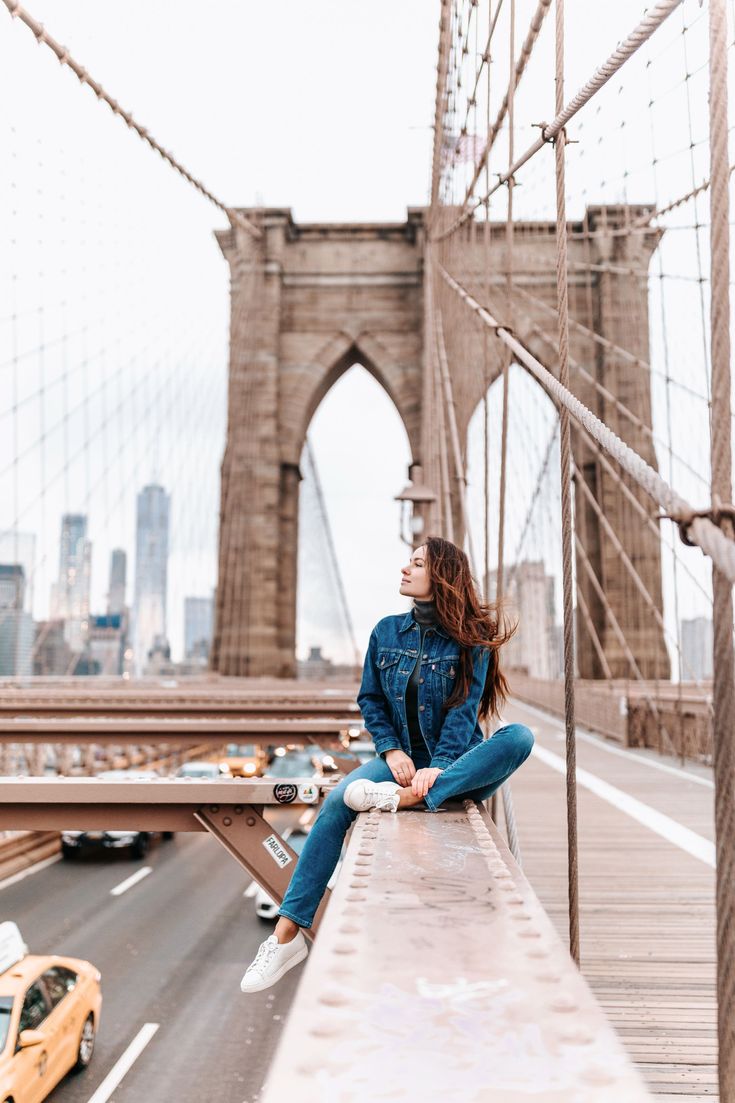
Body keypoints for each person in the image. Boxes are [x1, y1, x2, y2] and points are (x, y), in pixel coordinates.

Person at [239, 536, 534, 993]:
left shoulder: (472, 641)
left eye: (415, 564)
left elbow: (462, 713)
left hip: (455, 770)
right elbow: (371, 700)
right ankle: (286, 937)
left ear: (440, 576)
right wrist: (393, 752)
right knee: (338, 802)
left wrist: (437, 768)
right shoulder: (386, 632)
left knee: (519, 737)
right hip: (399, 765)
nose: (403, 569)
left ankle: (414, 797)